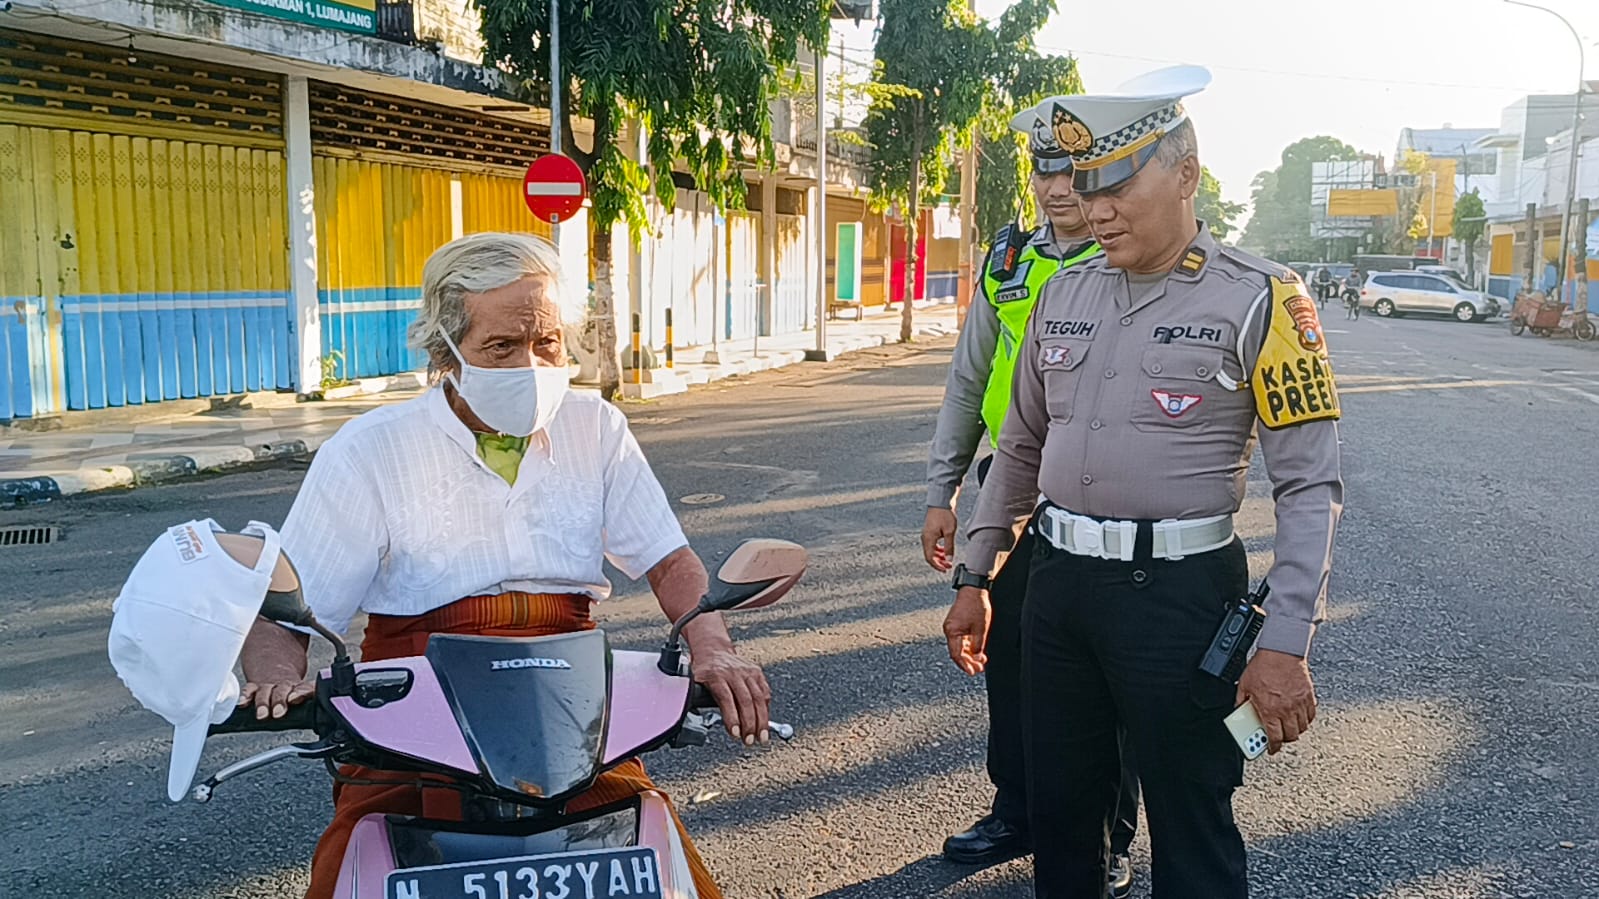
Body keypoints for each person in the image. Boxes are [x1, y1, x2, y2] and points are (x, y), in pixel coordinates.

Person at [237, 232, 772, 899]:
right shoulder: (369, 449)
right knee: (358, 858)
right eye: (501, 346)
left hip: (569, 711)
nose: (531, 363)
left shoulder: (594, 426)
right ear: (444, 351)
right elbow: (289, 598)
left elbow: (666, 558)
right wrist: (273, 677)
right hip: (413, 713)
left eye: (545, 340)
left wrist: (713, 648)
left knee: (661, 863)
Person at [942, 65, 1343, 898]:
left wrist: (1286, 640)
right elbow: (1018, 448)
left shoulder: (1261, 299)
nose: (1095, 209)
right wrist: (975, 574)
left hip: (1181, 600)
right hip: (1057, 588)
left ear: (1186, 171)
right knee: (1061, 821)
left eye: (1118, 183)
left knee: (1192, 822)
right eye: (1085, 187)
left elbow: (1308, 487)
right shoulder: (1062, 294)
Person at [924, 102, 1139, 895]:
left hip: (1098, 489)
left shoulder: (1131, 255)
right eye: (1044, 169)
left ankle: (1106, 836)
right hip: (1010, 489)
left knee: (1104, 669)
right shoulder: (1008, 258)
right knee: (1008, 659)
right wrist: (942, 489)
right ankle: (1016, 808)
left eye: (1070, 170)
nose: (1056, 186)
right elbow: (966, 378)